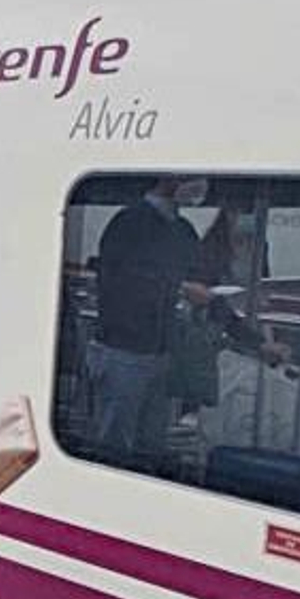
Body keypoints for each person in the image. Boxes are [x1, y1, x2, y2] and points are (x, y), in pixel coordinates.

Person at [86, 176, 211, 467]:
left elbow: (201, 279)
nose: (200, 186)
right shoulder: (128, 222)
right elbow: (116, 282)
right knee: (114, 443)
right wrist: (178, 288)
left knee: (151, 445)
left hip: (163, 352)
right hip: (123, 350)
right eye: (192, 178)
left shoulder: (183, 230)